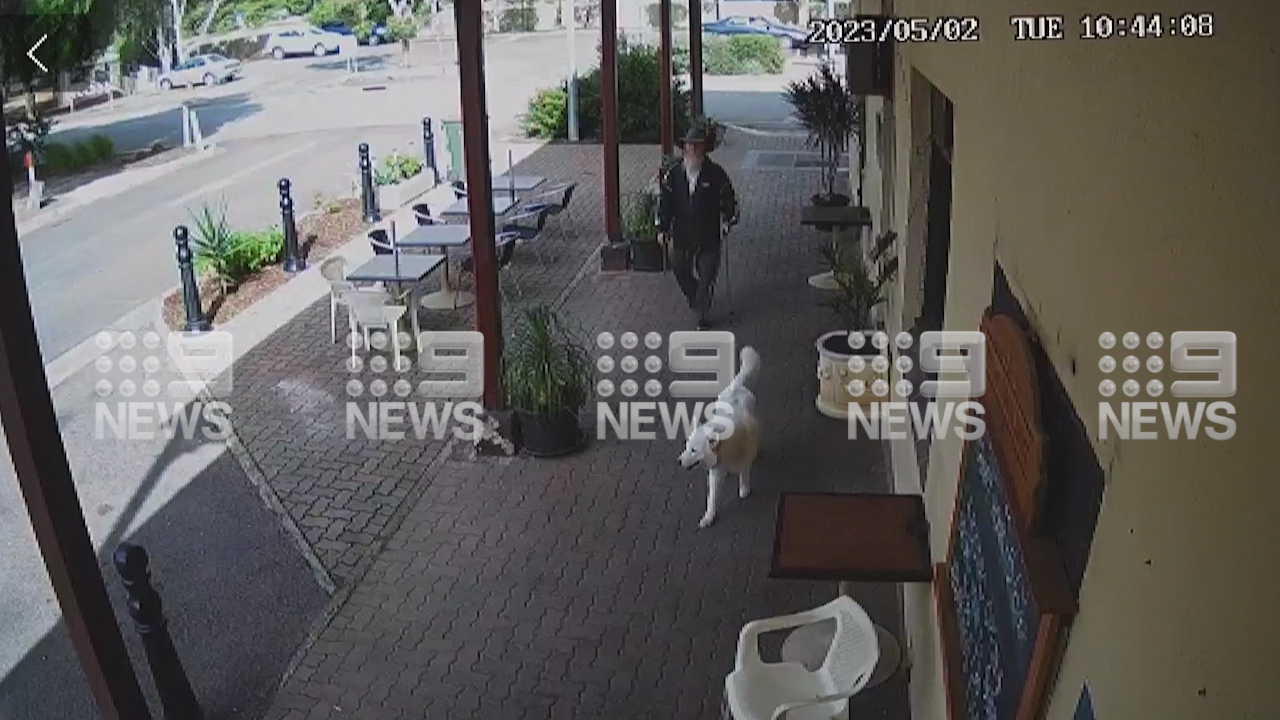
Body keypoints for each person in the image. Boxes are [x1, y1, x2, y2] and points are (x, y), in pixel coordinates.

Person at [656, 128, 739, 329]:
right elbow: (665, 204)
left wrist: (728, 220)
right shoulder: (673, 175)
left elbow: (729, 200)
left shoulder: (716, 174)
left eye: (697, 145)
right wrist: (662, 228)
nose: (693, 149)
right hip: (682, 234)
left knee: (707, 276)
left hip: (709, 235)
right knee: (680, 269)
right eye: (689, 145)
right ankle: (696, 298)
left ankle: (702, 315)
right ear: (683, 148)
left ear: (704, 148)